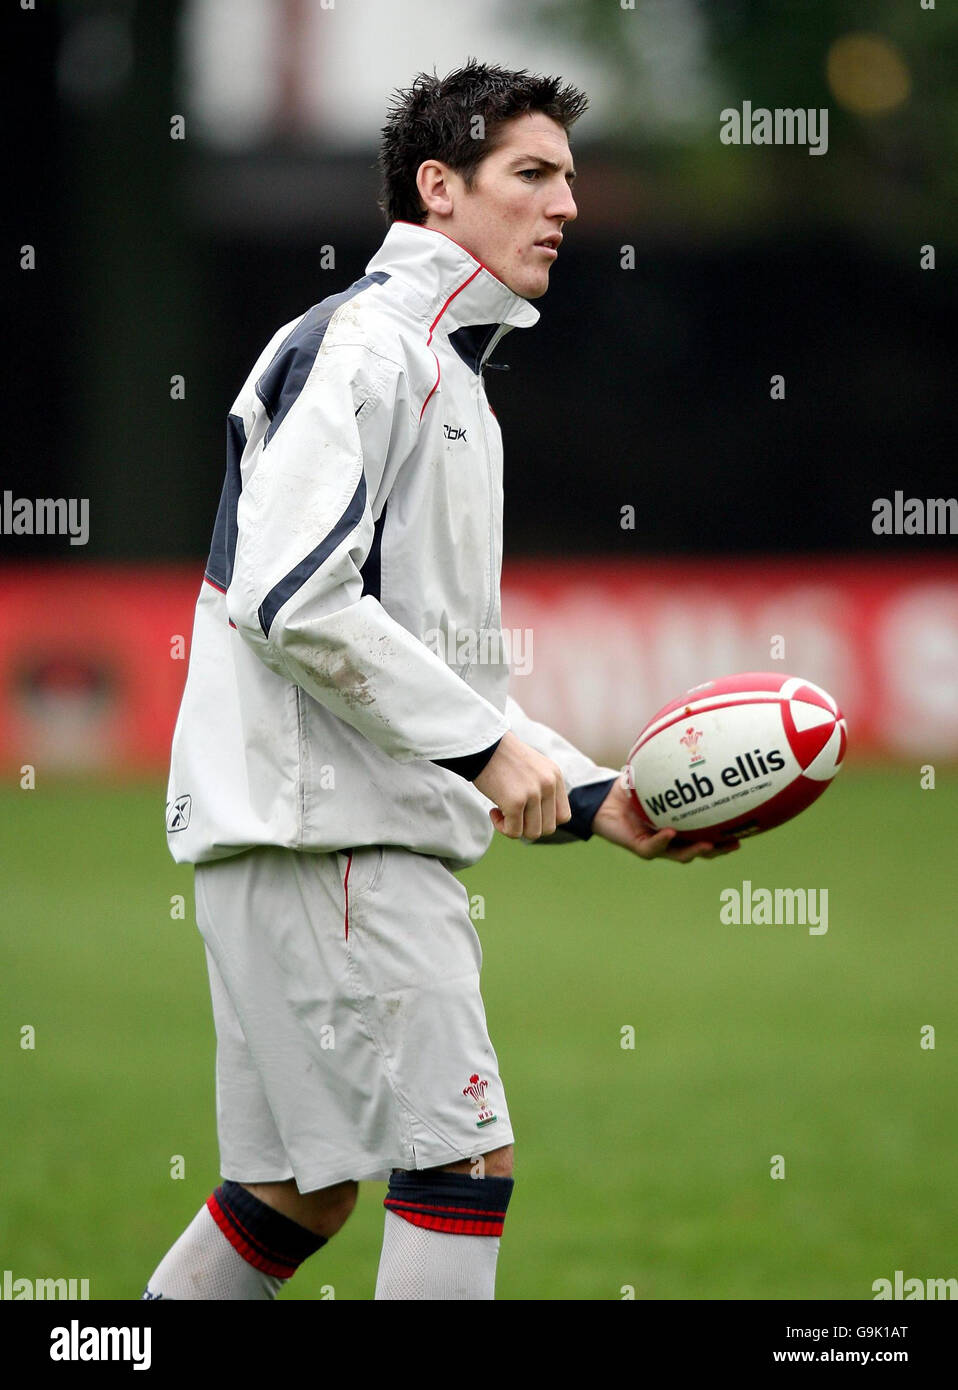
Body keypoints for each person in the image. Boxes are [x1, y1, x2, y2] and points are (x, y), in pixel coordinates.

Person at [145, 60, 735, 1303]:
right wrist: (480, 755)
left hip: (300, 848)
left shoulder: (443, 370)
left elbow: (436, 665)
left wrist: (590, 795)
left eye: (568, 179)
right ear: (438, 186)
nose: (563, 205)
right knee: (460, 1157)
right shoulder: (372, 349)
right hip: (337, 850)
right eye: (530, 173)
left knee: (291, 1193)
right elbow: (293, 598)